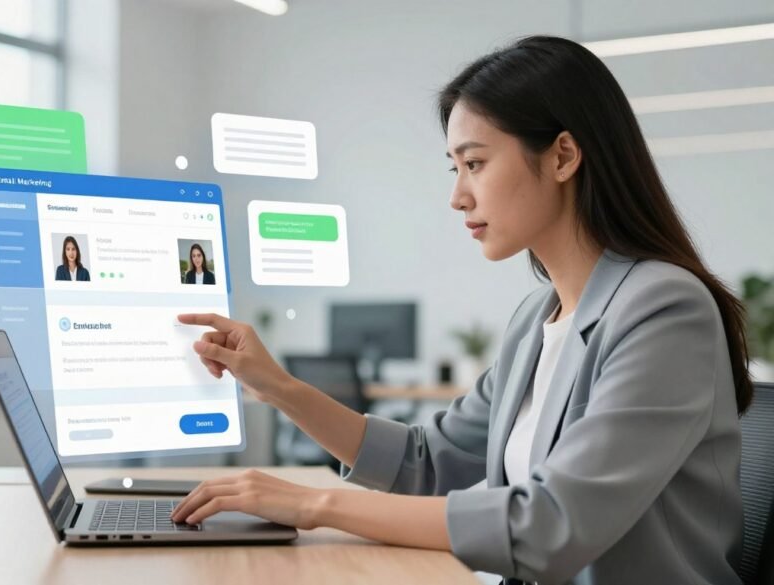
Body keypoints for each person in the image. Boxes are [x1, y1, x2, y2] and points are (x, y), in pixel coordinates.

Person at [169, 36, 750, 584]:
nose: (458, 196)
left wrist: (317, 503)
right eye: (456, 168)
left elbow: (549, 524)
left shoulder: (666, 310)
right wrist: (277, 387)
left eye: (475, 163)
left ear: (563, 156)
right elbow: (429, 461)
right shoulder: (536, 319)